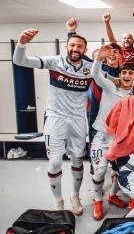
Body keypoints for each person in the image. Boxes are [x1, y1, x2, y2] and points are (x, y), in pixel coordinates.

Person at [13, 29, 92, 215]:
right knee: (55, 162)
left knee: (77, 159)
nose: (75, 48)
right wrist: (22, 43)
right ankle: (58, 202)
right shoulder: (55, 61)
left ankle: (75, 195)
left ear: (85, 49)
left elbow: (113, 80)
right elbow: (20, 61)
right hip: (55, 117)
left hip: (78, 119)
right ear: (66, 46)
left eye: (79, 46)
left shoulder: (90, 67)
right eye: (72, 45)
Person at [89, 45, 134, 220]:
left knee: (122, 170)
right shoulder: (110, 86)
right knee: (100, 171)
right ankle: (97, 200)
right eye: (124, 73)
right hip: (102, 136)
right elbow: (95, 75)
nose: (126, 76)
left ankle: (112, 195)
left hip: (121, 139)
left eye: (130, 74)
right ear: (120, 75)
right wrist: (98, 59)